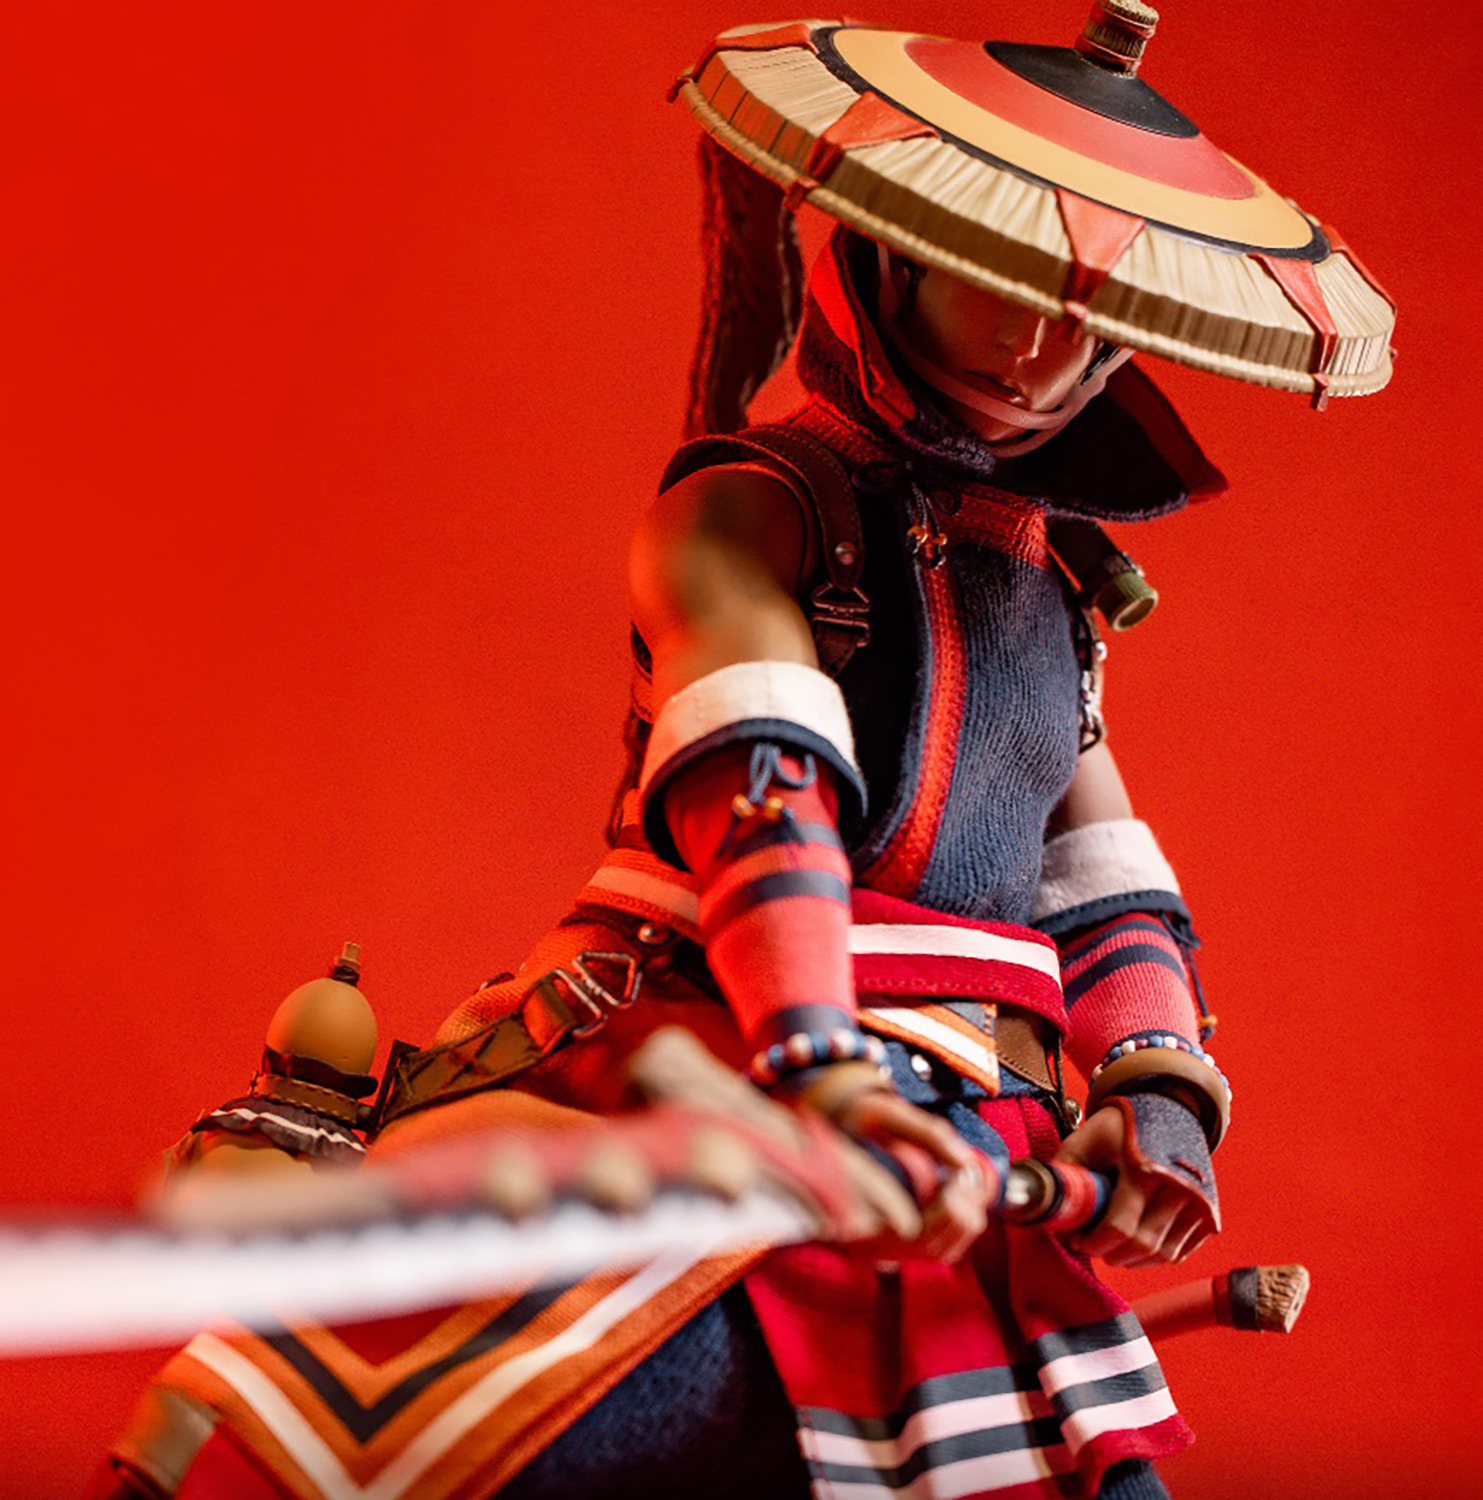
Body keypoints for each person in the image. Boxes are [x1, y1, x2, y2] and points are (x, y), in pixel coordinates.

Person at [93, 8, 1392, 1499]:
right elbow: (763, 787)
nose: (1047, 350)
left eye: (1096, 314)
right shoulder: (746, 510)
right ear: (895, 255)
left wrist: (1162, 1095)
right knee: (425, 1423)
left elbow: (1101, 881)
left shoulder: (1058, 593)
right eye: (1005, 281)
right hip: (716, 1062)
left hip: (980, 1152)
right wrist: (820, 1067)